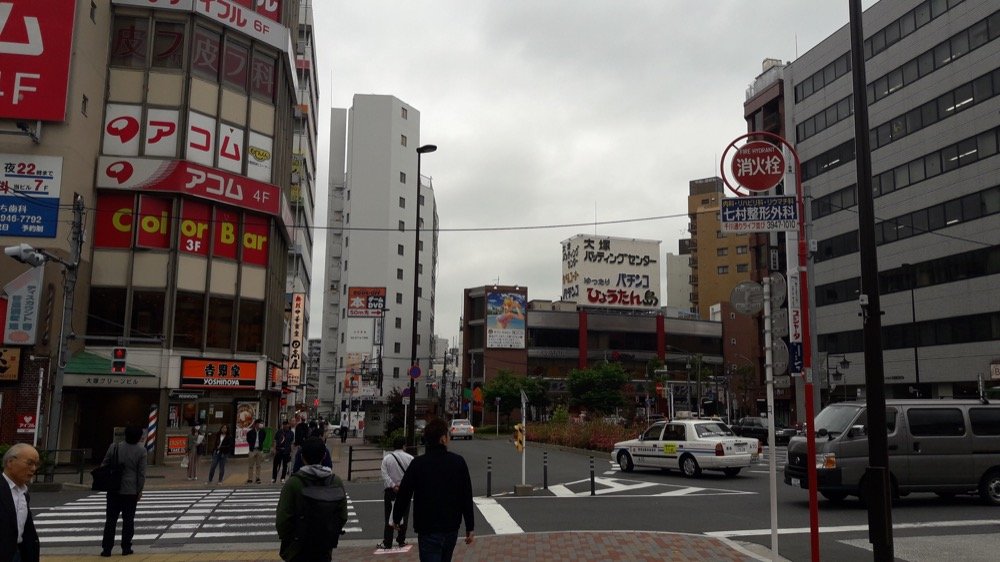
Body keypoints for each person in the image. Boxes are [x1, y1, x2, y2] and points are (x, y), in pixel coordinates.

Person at [392, 419, 474, 561]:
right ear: (443, 439)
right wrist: (470, 526)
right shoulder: (458, 462)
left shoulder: (418, 464)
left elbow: (404, 492)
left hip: (426, 527)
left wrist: (397, 518)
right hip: (451, 526)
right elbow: (466, 495)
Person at [276, 438, 348, 562]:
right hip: (324, 546)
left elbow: (282, 520)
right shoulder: (335, 481)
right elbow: (342, 516)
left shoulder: (294, 483)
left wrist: (291, 538)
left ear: (302, 457)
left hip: (298, 547)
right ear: (324, 455)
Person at [100, 426, 147, 557]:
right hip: (130, 490)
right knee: (128, 520)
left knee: (110, 520)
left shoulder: (114, 447)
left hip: (114, 489)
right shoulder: (141, 451)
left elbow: (104, 464)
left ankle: (107, 549)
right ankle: (126, 547)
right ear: (138, 437)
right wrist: (139, 490)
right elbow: (141, 474)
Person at [2, 443, 41, 562]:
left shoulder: (24, 492)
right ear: (10, 462)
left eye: (36, 464)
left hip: (19, 553)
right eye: (29, 463)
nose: (33, 469)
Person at [379, 436, 413, 550]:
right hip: (405, 491)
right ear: (404, 446)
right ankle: (401, 540)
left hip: (390, 491)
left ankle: (387, 541)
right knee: (404, 515)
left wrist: (393, 485)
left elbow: (384, 475)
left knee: (389, 516)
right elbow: (412, 476)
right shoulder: (410, 458)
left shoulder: (387, 458)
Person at [246, 419, 266, 484]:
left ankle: (258, 478)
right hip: (252, 450)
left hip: (259, 450)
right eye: (260, 423)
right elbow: (248, 440)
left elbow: (263, 439)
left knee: (258, 465)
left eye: (262, 423)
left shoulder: (263, 432)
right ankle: (250, 478)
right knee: (251, 465)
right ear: (256, 424)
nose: (261, 424)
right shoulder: (250, 432)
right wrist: (252, 446)